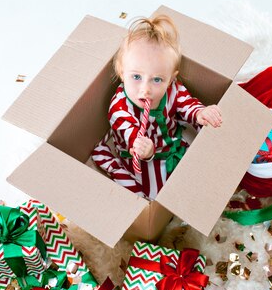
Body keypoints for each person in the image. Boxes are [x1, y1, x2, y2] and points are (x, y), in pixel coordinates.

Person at [92, 14, 222, 199]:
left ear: (171, 78)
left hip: (173, 144)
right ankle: (108, 161)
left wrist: (200, 112)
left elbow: (187, 104)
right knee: (153, 196)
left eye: (157, 79)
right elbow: (132, 138)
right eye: (136, 77)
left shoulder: (173, 90)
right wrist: (144, 150)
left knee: (201, 173)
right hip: (144, 159)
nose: (145, 89)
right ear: (121, 71)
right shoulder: (119, 109)